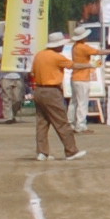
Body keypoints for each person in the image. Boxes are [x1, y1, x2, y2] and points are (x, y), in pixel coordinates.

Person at [30, 32, 82, 160]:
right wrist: (90, 65)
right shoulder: (57, 57)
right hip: (52, 91)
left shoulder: (39, 55)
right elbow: (73, 65)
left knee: (42, 123)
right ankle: (71, 151)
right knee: (61, 122)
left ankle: (42, 152)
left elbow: (32, 72)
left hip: (39, 90)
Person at [68, 28, 101, 130]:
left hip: (75, 77)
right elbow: (98, 52)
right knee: (82, 102)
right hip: (83, 78)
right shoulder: (83, 47)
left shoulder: (75, 47)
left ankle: (70, 123)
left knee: (73, 101)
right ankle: (81, 124)